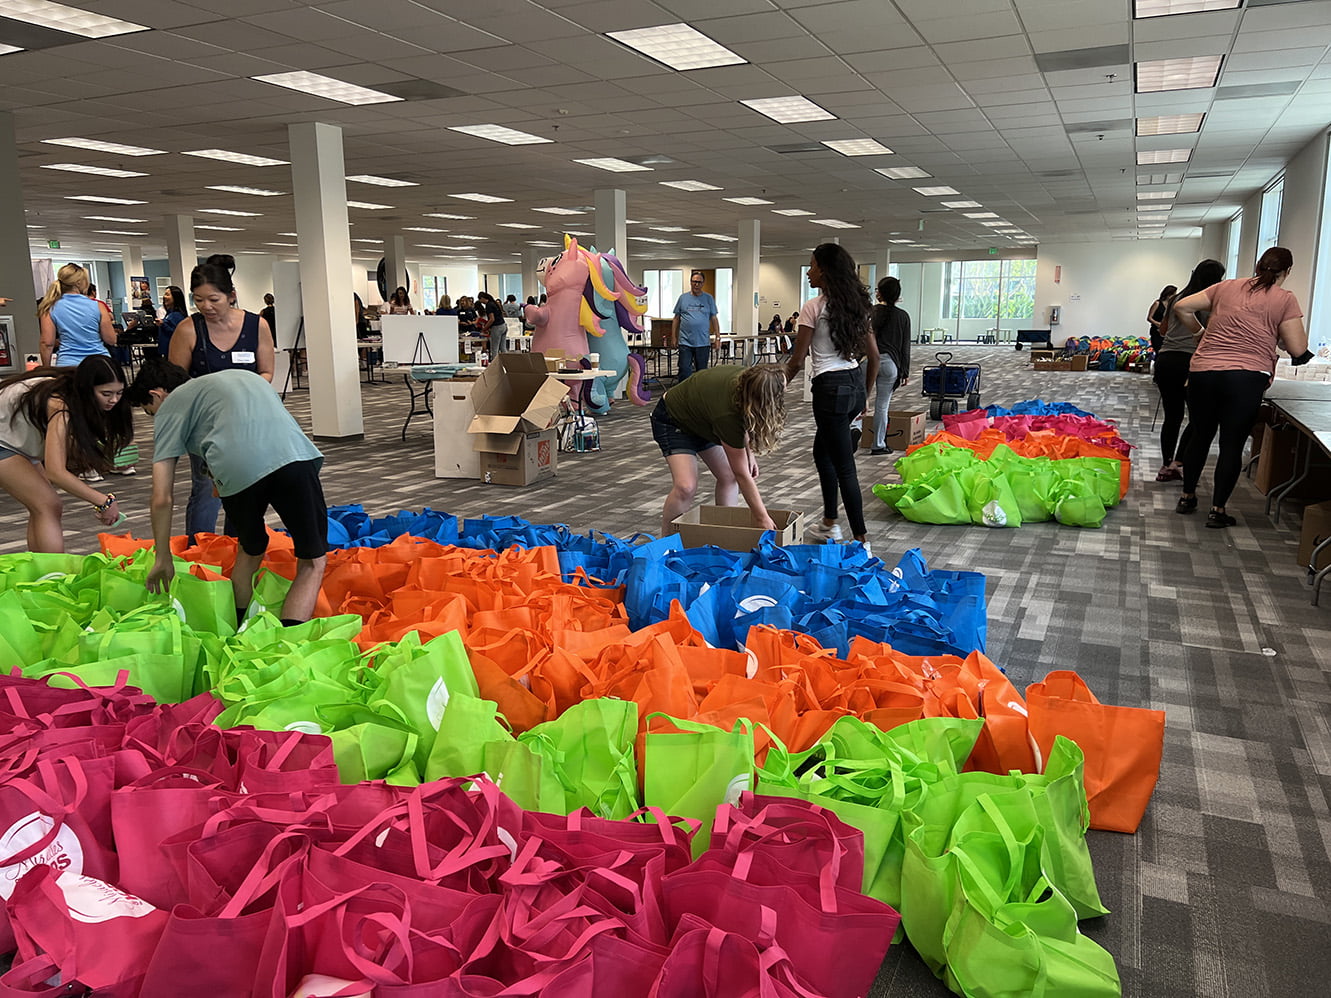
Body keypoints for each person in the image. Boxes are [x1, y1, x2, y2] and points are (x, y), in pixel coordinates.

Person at [128, 359, 328, 626]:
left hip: (237, 473)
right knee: (312, 561)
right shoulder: (244, 377)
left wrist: (163, 556)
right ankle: (288, 643)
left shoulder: (170, 407)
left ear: (156, 394)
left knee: (250, 550)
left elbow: (162, 497)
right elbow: (260, 430)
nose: (155, 418)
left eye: (149, 411)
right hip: (294, 459)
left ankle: (236, 630)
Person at [1174, 247, 1312, 529]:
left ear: (1258, 265)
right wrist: (1278, 336)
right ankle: (1217, 510)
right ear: (1287, 272)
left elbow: (1181, 306)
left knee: (1200, 436)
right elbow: (1298, 348)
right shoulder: (1284, 298)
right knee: (1231, 444)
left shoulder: (1226, 287)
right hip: (1246, 377)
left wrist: (1200, 334)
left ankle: (1187, 497)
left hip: (1204, 372)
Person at [168, 255, 275, 540]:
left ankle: (237, 549)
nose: (206, 307)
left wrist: (238, 393)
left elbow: (266, 372)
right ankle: (199, 552)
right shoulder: (189, 329)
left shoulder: (256, 326)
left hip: (248, 420)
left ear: (231, 296)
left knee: (245, 487)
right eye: (198, 300)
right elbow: (174, 383)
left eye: (213, 299)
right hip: (205, 424)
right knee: (206, 489)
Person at [785, 243, 880, 548]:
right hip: (852, 384)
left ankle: (861, 540)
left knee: (844, 467)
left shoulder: (813, 307)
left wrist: (776, 388)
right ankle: (829, 523)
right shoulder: (856, 307)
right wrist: (863, 397)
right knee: (822, 453)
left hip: (830, 390)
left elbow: (798, 361)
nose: (809, 271)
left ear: (824, 270)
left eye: (812, 265)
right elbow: (874, 357)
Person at [0, 356, 132, 552]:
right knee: (47, 504)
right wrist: (103, 501)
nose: (113, 400)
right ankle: (53, 574)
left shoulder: (70, 393)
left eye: (119, 393)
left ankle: (43, 571)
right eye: (106, 393)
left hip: (17, 439)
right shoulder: (60, 404)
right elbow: (56, 472)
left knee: (44, 506)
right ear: (87, 389)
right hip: (7, 440)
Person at [651, 364, 788, 537]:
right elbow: (742, 474)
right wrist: (762, 518)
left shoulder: (748, 383)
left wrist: (749, 453)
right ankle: (667, 542)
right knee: (686, 486)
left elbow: (744, 416)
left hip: (704, 420)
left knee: (728, 476)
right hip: (672, 419)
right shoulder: (727, 414)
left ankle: (725, 535)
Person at [1153, 262, 1223, 482]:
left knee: (1172, 416)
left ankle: (1166, 466)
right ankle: (1179, 461)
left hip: (1166, 360)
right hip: (1192, 362)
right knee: (1200, 418)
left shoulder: (1177, 298)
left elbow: (1163, 330)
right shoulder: (1211, 302)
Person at [37, 263, 116, 368]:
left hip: (68, 365)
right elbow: (111, 340)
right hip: (99, 363)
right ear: (79, 283)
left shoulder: (50, 307)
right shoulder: (98, 306)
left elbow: (47, 343)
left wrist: (46, 369)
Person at [869, 276, 911, 455]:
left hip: (870, 361)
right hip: (891, 365)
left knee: (858, 401)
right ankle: (878, 444)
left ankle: (849, 435)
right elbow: (905, 347)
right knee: (882, 406)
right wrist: (905, 372)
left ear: (881, 293)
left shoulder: (873, 312)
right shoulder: (903, 316)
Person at [671, 273, 720, 380]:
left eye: (699, 282)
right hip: (685, 342)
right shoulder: (683, 298)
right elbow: (676, 318)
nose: (696, 284)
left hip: (702, 342)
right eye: (694, 281)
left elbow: (714, 318)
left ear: (703, 283)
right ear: (690, 282)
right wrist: (674, 337)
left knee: (701, 372)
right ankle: (683, 394)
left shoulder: (708, 298)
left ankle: (699, 394)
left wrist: (718, 338)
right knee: (684, 370)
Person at [476, 292, 507, 359]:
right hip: (503, 325)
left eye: (480, 300)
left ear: (482, 298)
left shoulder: (488, 305)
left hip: (497, 327)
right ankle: (507, 364)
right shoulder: (494, 303)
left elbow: (492, 319)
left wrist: (484, 328)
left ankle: (495, 365)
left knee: (494, 349)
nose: (481, 302)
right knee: (503, 348)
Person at [1147, 285, 1176, 355]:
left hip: (1166, 332)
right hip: (1156, 332)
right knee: (1158, 351)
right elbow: (1149, 318)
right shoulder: (1157, 303)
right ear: (1168, 295)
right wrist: (1158, 324)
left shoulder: (1171, 305)